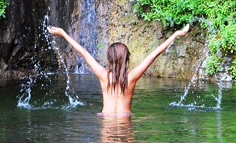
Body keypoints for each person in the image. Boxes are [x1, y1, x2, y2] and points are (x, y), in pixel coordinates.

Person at [47, 24, 190, 116]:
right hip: (125, 120)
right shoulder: (132, 77)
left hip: (106, 119)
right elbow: (154, 54)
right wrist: (175, 34)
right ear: (127, 59)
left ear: (109, 59)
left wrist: (64, 34)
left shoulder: (103, 76)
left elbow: (83, 52)